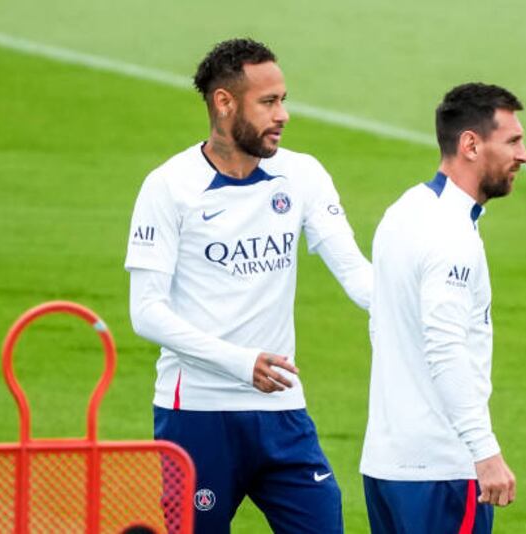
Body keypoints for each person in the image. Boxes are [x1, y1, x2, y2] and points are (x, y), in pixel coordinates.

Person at [124, 38, 371, 533]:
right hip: (197, 412)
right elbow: (146, 312)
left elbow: (354, 269)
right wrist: (241, 363)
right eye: (269, 102)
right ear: (224, 103)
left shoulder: (301, 174)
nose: (283, 114)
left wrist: (411, 312)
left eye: (283, 99)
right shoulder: (169, 186)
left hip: (281, 408)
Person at [360, 83, 526, 533]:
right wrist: (485, 451)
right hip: (441, 472)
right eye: (512, 141)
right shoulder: (451, 235)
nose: (524, 155)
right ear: (470, 144)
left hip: (385, 465)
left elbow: (383, 323)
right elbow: (446, 348)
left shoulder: (403, 211)